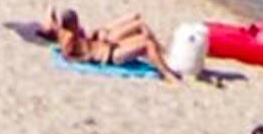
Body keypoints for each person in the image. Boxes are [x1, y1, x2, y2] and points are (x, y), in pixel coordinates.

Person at [38, 7, 181, 82]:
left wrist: (95, 40)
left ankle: (165, 61)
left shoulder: (64, 31)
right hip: (110, 56)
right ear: (72, 24)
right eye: (77, 22)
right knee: (147, 44)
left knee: (143, 36)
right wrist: (92, 54)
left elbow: (51, 18)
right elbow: (72, 55)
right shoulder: (70, 40)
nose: (79, 24)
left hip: (107, 46)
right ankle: (167, 74)